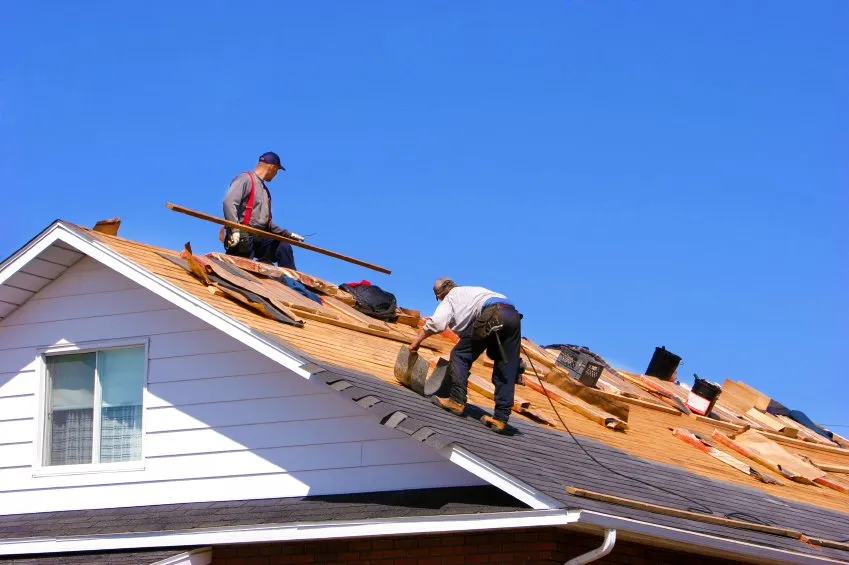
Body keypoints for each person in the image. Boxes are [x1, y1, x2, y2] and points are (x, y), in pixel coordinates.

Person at [409, 278, 522, 433]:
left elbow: (438, 323)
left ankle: (456, 400)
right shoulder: (471, 292)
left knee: (460, 354)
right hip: (512, 316)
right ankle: (500, 419)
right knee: (506, 365)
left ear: (441, 295)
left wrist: (417, 341)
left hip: (493, 314)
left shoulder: (450, 298)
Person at [222, 151, 304, 269]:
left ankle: (293, 283)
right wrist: (235, 230)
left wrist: (287, 234)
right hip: (243, 236)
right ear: (272, 167)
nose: (276, 175)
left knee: (283, 246)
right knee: (242, 270)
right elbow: (229, 202)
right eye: (276, 171)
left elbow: (266, 223)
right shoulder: (245, 179)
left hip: (259, 238)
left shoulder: (265, 191)